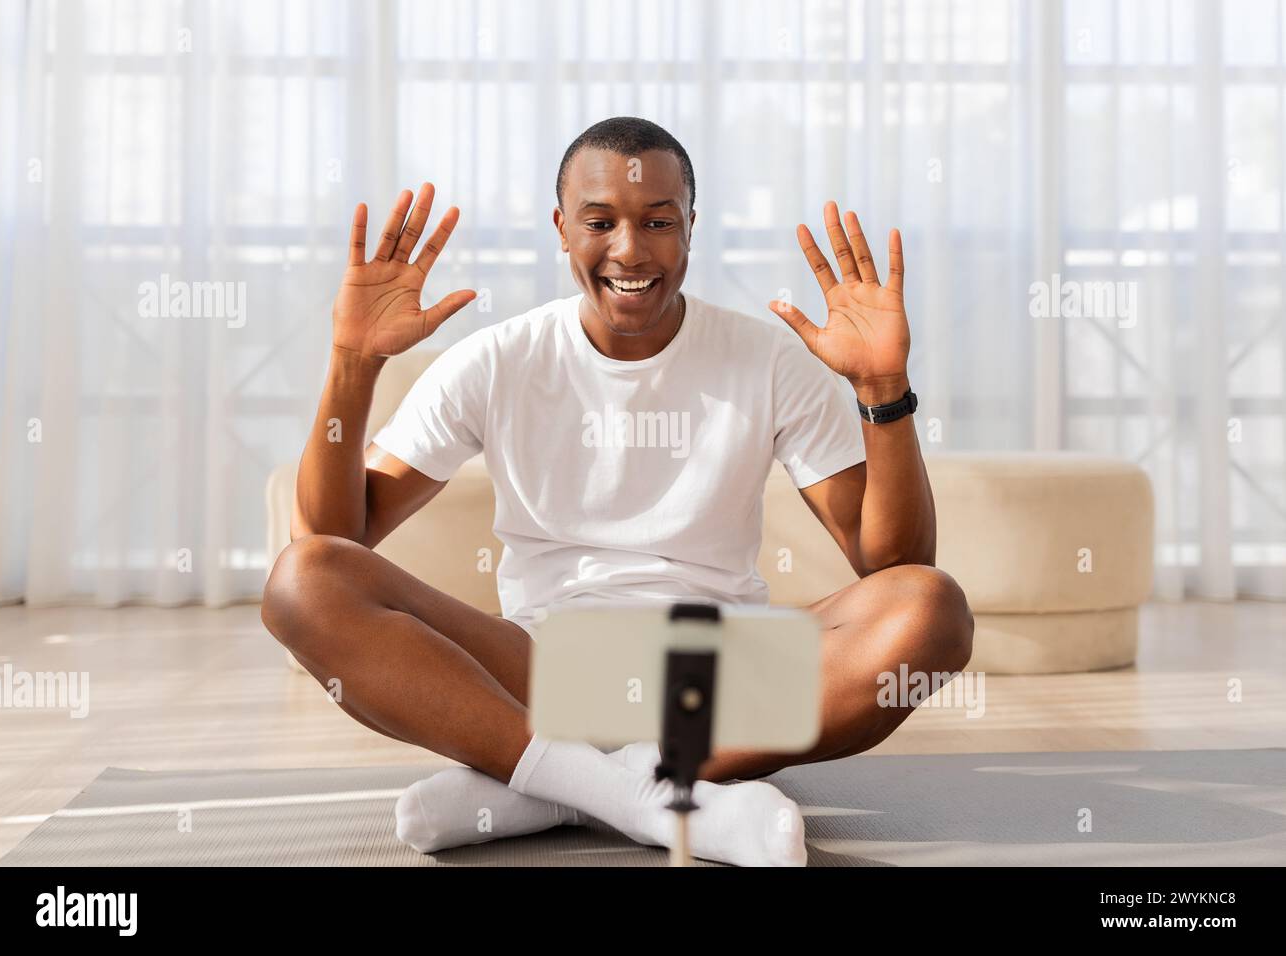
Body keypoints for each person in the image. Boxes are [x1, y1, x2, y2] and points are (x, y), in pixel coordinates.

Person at [261, 116, 973, 867]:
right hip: (540, 668)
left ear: (691, 228)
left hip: (719, 682)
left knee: (932, 610)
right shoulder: (499, 360)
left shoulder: (766, 360)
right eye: (600, 222)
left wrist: (883, 388)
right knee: (301, 581)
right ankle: (642, 796)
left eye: (658, 222)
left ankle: (559, 787)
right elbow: (334, 536)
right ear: (562, 229)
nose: (630, 250)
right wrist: (350, 362)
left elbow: (894, 563)